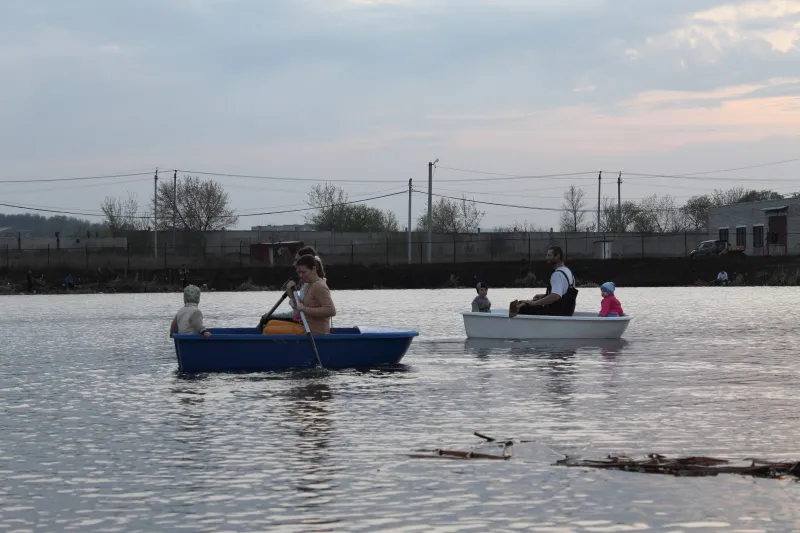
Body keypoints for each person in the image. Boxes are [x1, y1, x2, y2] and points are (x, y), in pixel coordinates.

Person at [263, 254, 336, 335]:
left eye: (303, 272)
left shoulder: (319, 286)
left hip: (314, 332)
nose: (301, 275)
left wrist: (304, 309)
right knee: (270, 323)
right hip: (305, 327)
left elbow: (331, 311)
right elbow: (300, 307)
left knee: (267, 330)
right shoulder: (310, 285)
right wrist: (291, 294)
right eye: (299, 272)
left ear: (314, 269)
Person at [260, 246, 325, 326]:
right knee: (266, 319)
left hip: (307, 325)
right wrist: (273, 316)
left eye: (297, 260)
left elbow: (301, 312)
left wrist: (292, 296)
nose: (294, 264)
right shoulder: (306, 283)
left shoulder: (315, 285)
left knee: (267, 323)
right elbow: (297, 313)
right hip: (303, 321)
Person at [511, 245, 578, 316]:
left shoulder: (557, 275)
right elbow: (562, 293)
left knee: (522, 306)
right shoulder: (567, 271)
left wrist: (534, 303)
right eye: (546, 255)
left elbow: (556, 295)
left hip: (557, 313)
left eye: (549, 255)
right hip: (567, 312)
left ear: (557, 256)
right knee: (525, 303)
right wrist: (544, 296)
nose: (546, 258)